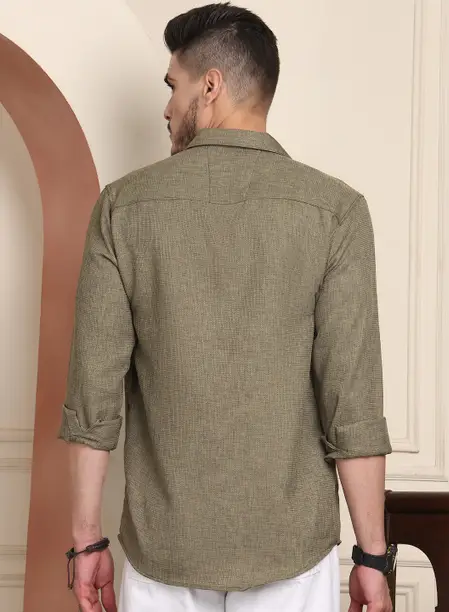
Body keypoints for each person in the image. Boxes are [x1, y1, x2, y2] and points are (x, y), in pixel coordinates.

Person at [58, 3, 394, 612]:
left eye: (173, 86)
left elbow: (92, 400)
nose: (166, 108)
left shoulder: (122, 208)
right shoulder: (336, 212)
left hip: (162, 555)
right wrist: (372, 558)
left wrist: (86, 543)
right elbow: (353, 405)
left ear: (209, 86)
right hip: (291, 557)